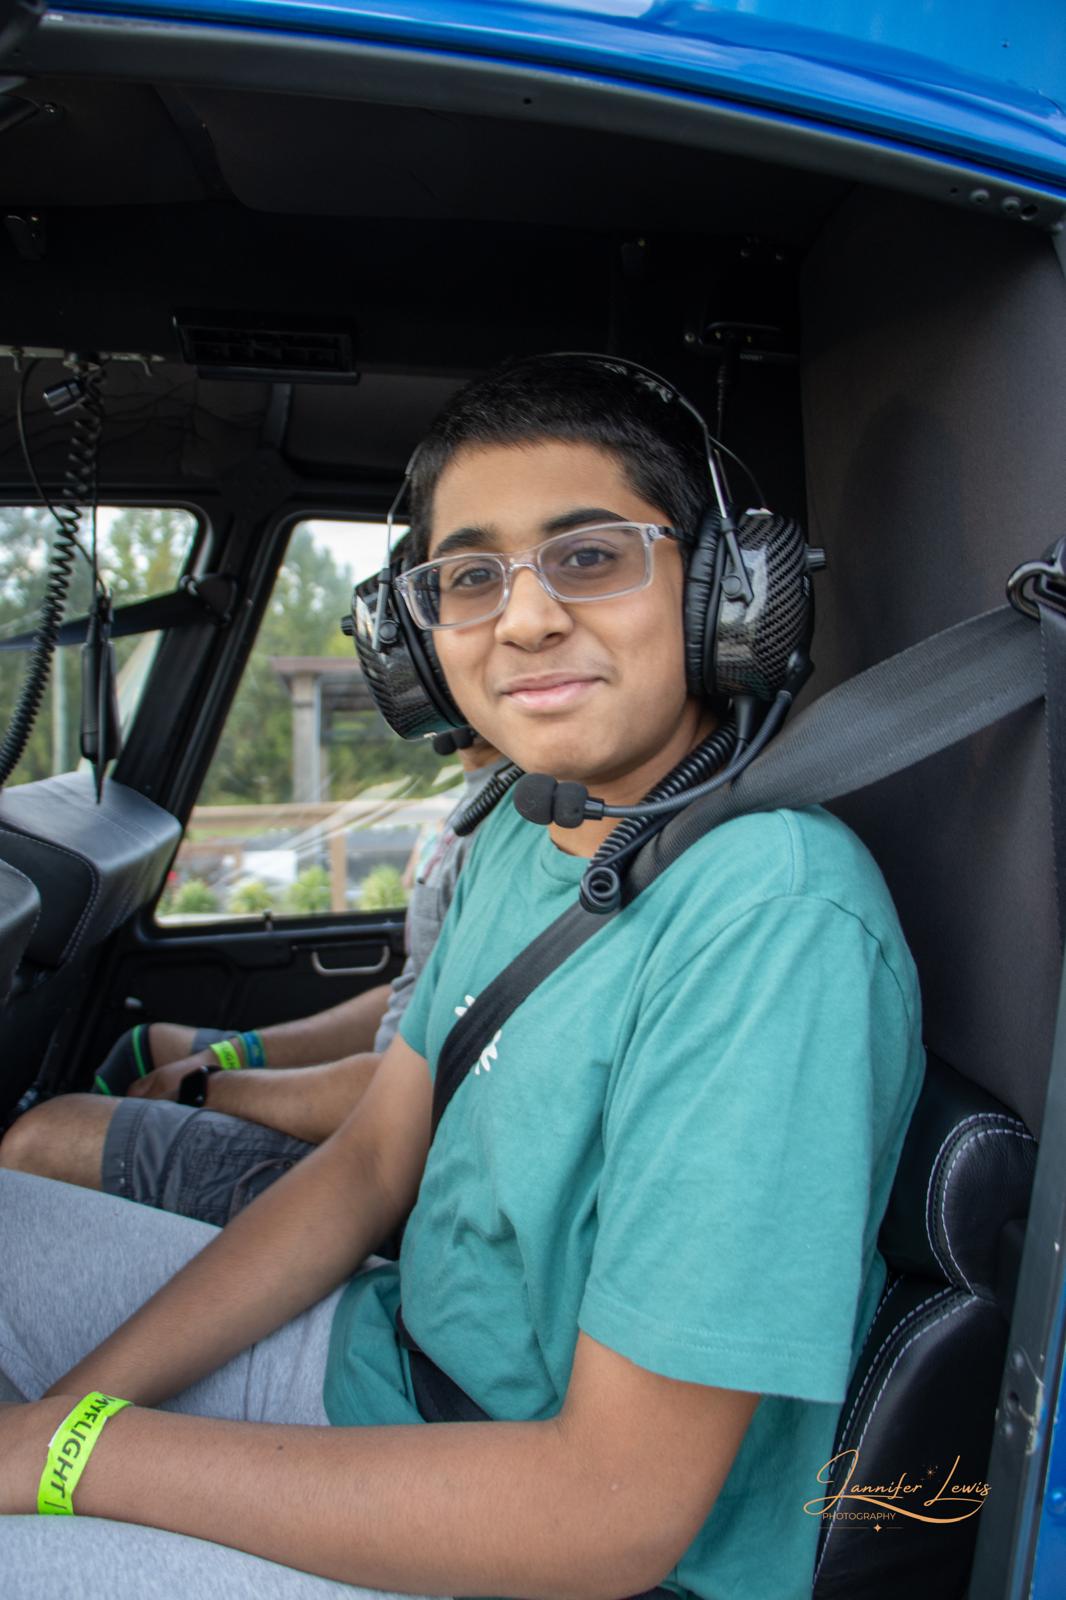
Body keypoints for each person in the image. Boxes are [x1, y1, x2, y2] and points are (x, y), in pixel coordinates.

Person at [0, 354, 924, 1600]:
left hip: (528, 1532)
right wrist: (71, 1409)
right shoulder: (527, 832)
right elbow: (371, 1164)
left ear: (717, 592)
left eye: (589, 555)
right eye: (471, 576)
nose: (526, 617)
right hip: (388, 1368)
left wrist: (69, 1459)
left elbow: (610, 1513)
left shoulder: (772, 921)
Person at [0, 737, 510, 1226]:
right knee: (146, 1046)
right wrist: (231, 1057)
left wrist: (207, 1088)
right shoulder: (479, 800)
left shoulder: (519, 826)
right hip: (378, 1099)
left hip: (404, 1175)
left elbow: (413, 1092)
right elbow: (412, 997)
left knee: (41, 1141)